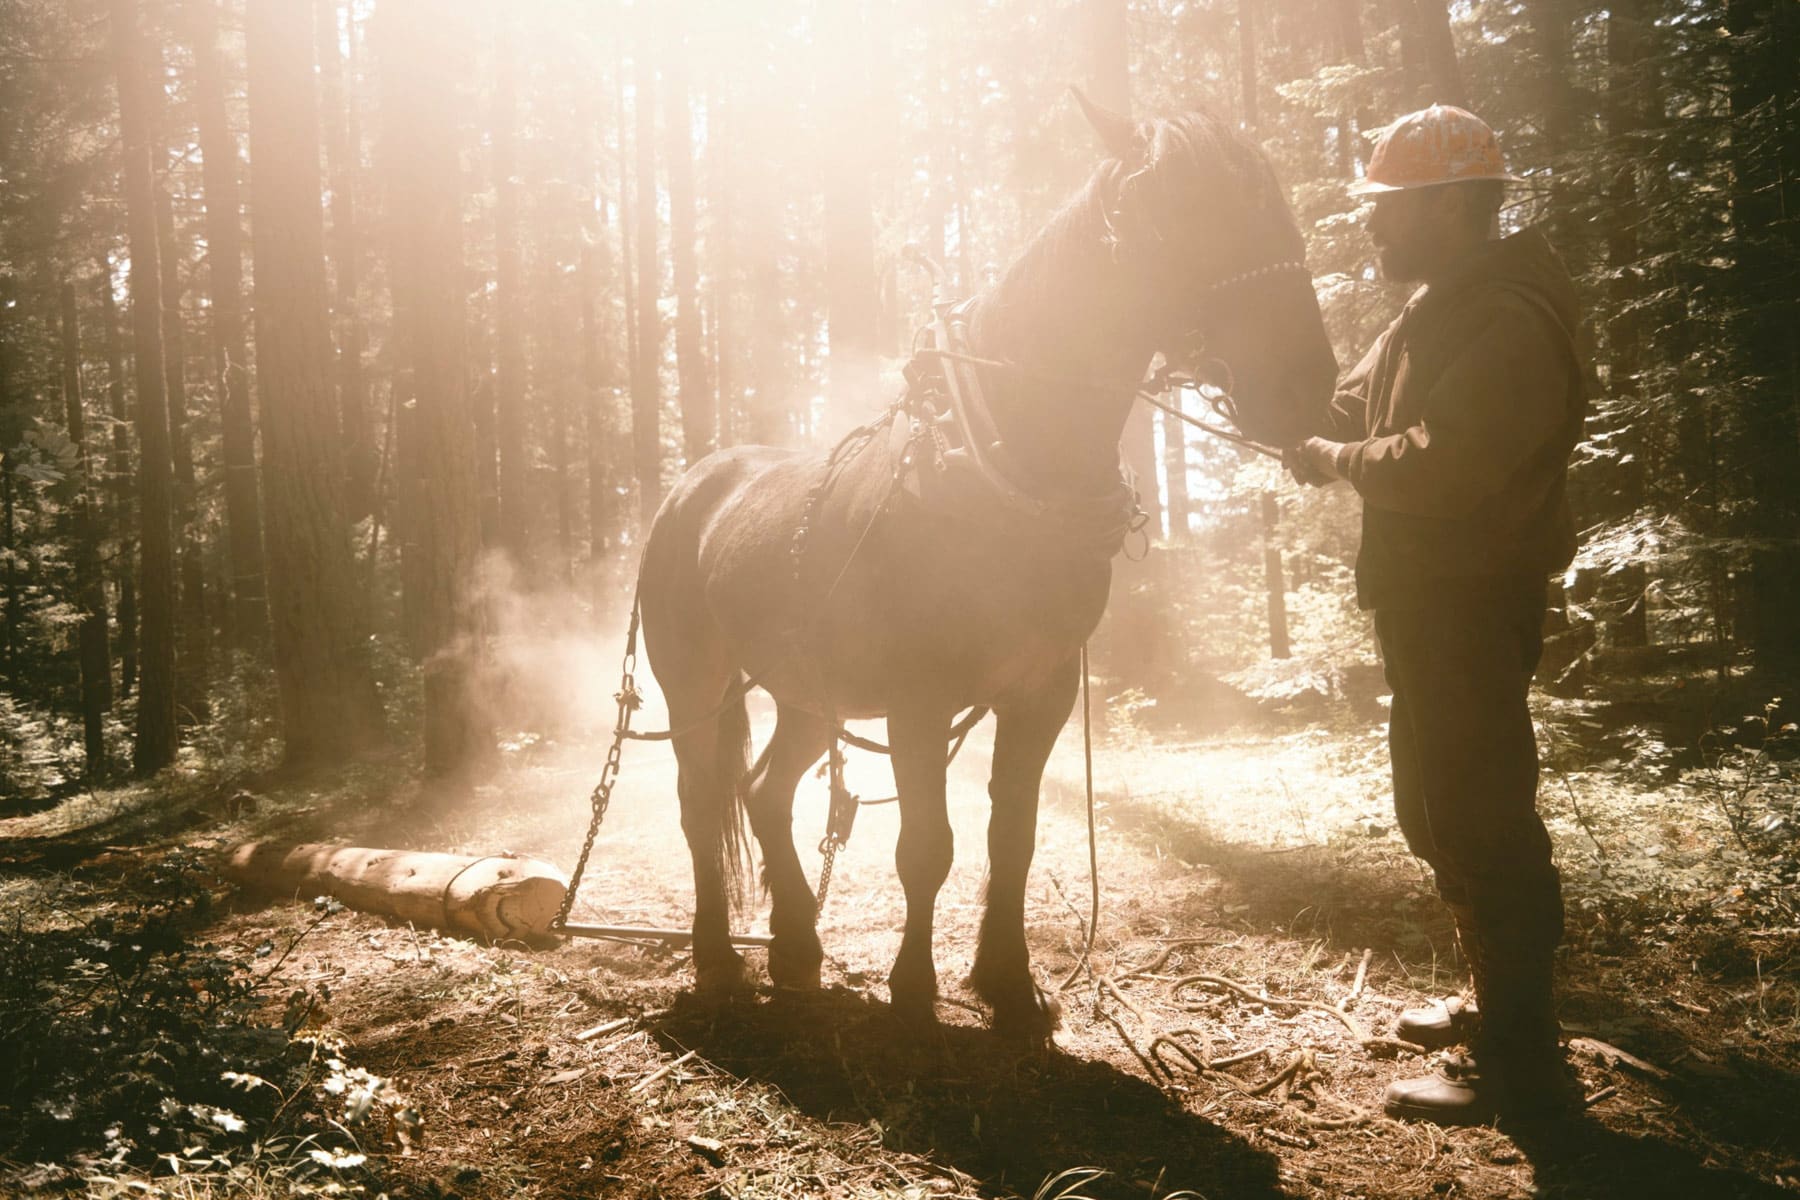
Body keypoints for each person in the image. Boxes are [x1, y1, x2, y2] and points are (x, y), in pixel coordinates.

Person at [1285, 105, 1589, 1124]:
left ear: (1456, 205)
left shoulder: (1508, 314)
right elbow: (1346, 408)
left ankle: (1523, 1065)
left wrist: (1336, 462)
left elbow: (1445, 463)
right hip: (1425, 601)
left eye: (1391, 208)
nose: (1373, 227)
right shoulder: (1432, 309)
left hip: (1470, 596)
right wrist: (1281, 416)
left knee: (1483, 814)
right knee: (1436, 809)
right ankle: (1496, 1003)